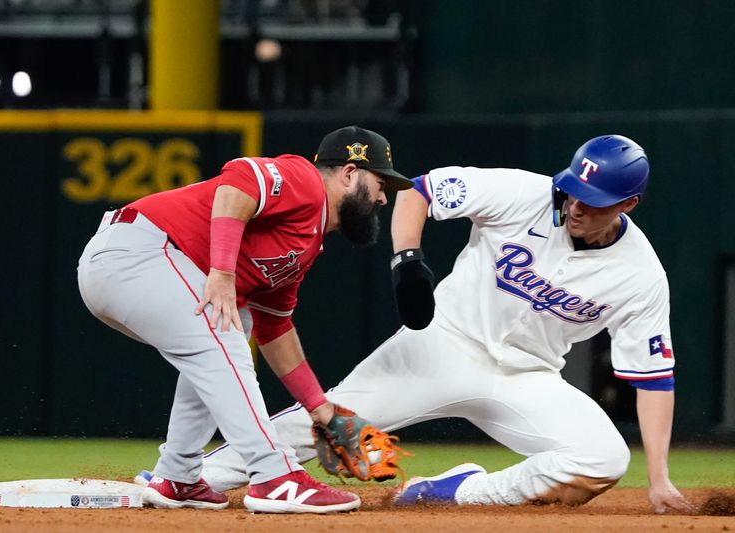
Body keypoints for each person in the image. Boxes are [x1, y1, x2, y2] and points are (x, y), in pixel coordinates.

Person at [156, 134, 693, 514]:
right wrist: (406, 260)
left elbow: (654, 379)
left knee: (603, 461)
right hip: (440, 345)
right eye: (574, 188)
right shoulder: (524, 193)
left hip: (527, 376)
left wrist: (661, 478)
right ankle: (187, 478)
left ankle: (456, 492)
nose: (576, 204)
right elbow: (421, 190)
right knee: (328, 421)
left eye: (594, 200)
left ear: (629, 203)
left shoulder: (640, 275)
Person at [77, 125, 412, 513]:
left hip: (133, 269)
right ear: (350, 174)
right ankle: (274, 475)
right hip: (137, 253)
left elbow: (276, 329)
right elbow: (236, 182)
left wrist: (321, 409)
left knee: (238, 324)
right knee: (223, 326)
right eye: (380, 182)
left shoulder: (307, 245)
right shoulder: (305, 181)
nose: (384, 198)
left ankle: (178, 476)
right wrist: (221, 271)